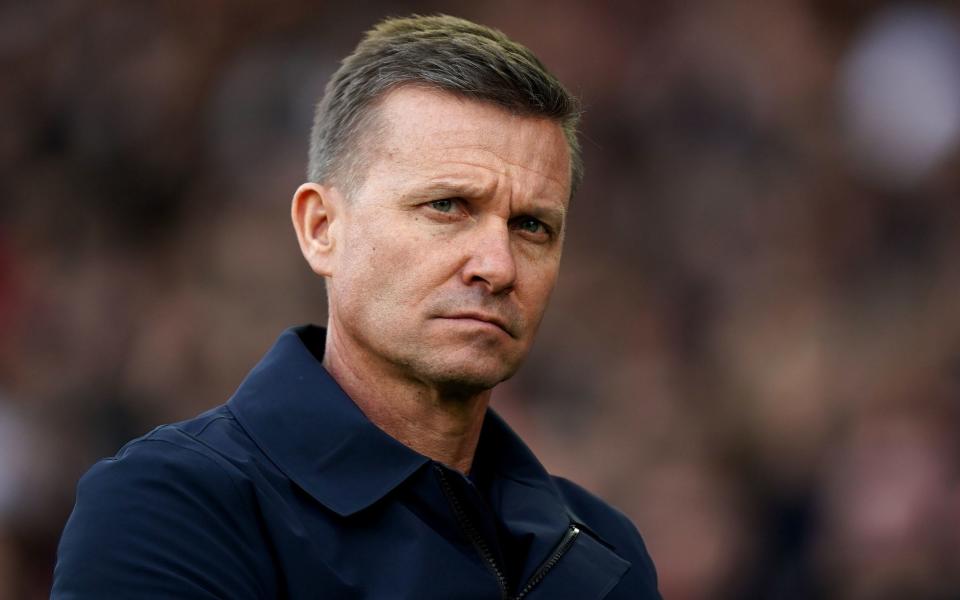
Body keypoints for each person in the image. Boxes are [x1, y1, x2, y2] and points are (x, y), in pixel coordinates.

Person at [52, 14, 661, 599]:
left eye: (531, 226)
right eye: (446, 207)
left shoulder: (603, 554)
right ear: (322, 228)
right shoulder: (172, 509)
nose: (497, 266)